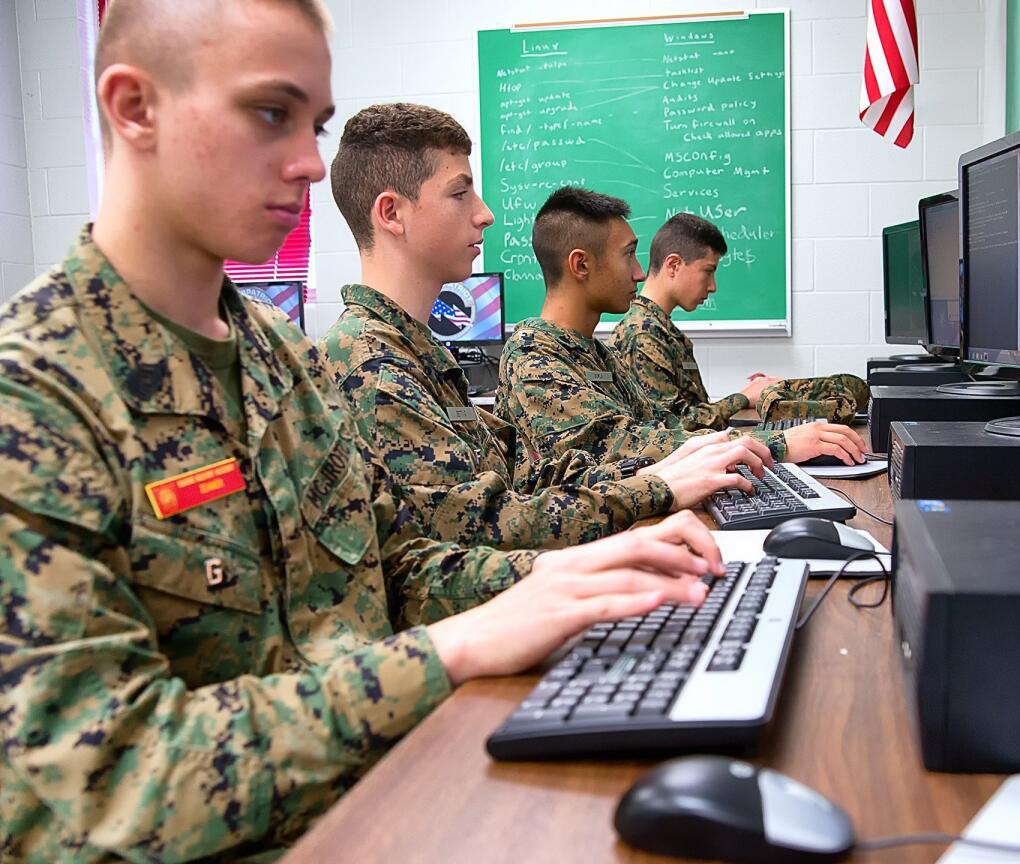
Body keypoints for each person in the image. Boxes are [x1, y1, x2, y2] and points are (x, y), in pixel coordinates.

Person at [0, 2, 726, 858]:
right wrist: (447, 654)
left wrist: (561, 575)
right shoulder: (39, 392)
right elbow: (104, 780)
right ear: (134, 109)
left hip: (386, 790)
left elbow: (395, 560)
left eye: (316, 124)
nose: (310, 162)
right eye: (272, 114)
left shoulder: (279, 358)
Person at [320, 103, 772, 550]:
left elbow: (523, 475)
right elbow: (479, 527)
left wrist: (669, 468)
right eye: (460, 194)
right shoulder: (371, 363)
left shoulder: (416, 350)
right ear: (391, 214)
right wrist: (658, 487)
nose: (485, 214)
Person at [495, 186, 868, 472]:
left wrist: (769, 439)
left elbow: (666, 426)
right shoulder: (534, 356)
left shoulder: (595, 353)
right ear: (581, 265)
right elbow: (621, 446)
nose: (640, 272)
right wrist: (776, 442)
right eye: (628, 254)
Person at [611, 212, 868, 429]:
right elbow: (674, 428)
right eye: (708, 271)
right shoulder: (642, 336)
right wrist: (743, 398)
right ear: (674, 265)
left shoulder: (661, 330)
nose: (712, 287)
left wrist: (758, 393)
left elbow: (689, 414)